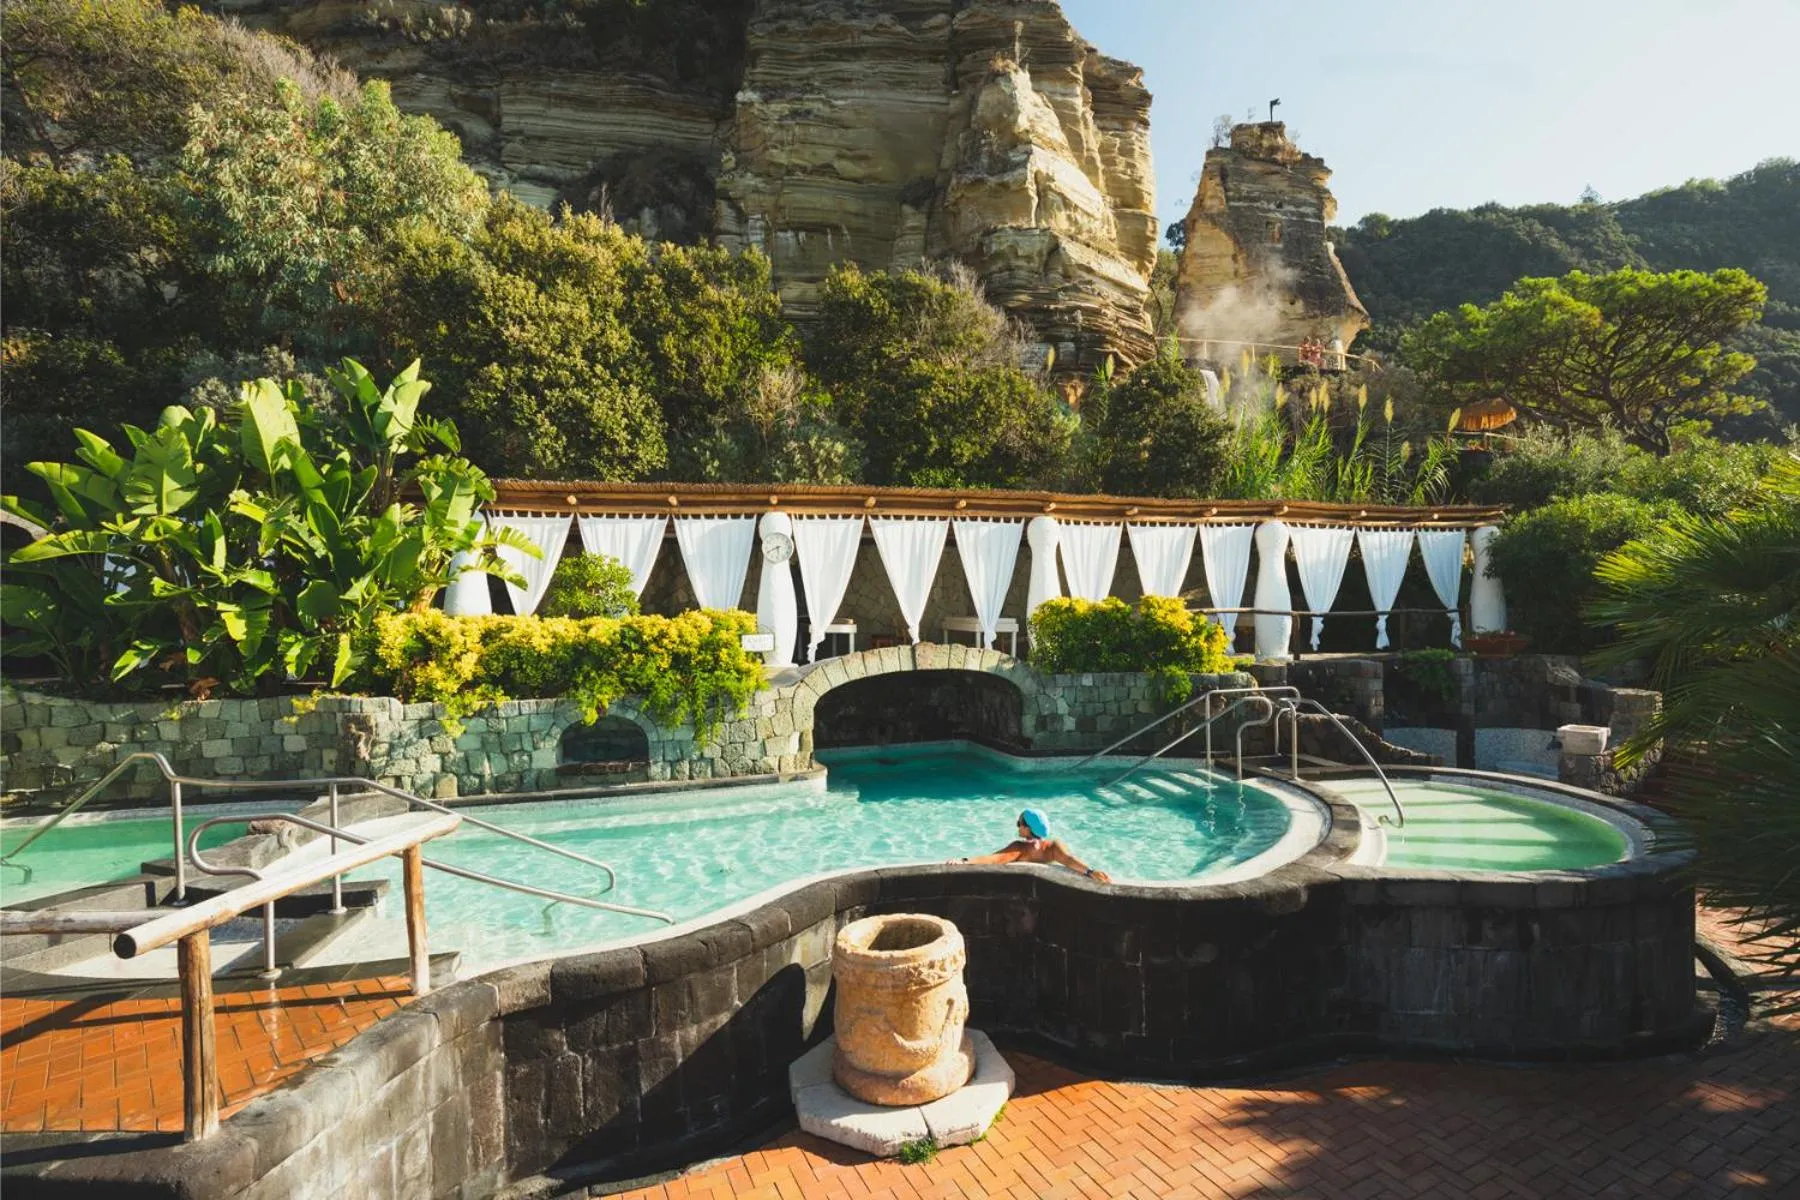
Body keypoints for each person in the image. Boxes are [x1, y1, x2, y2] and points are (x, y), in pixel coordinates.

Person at [953, 809, 1112, 883]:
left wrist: (964, 861)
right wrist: (1091, 871)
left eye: (1019, 823)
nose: (1017, 826)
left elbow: (994, 859)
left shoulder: (1020, 848)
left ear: (1027, 828)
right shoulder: (1053, 847)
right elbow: (1069, 859)